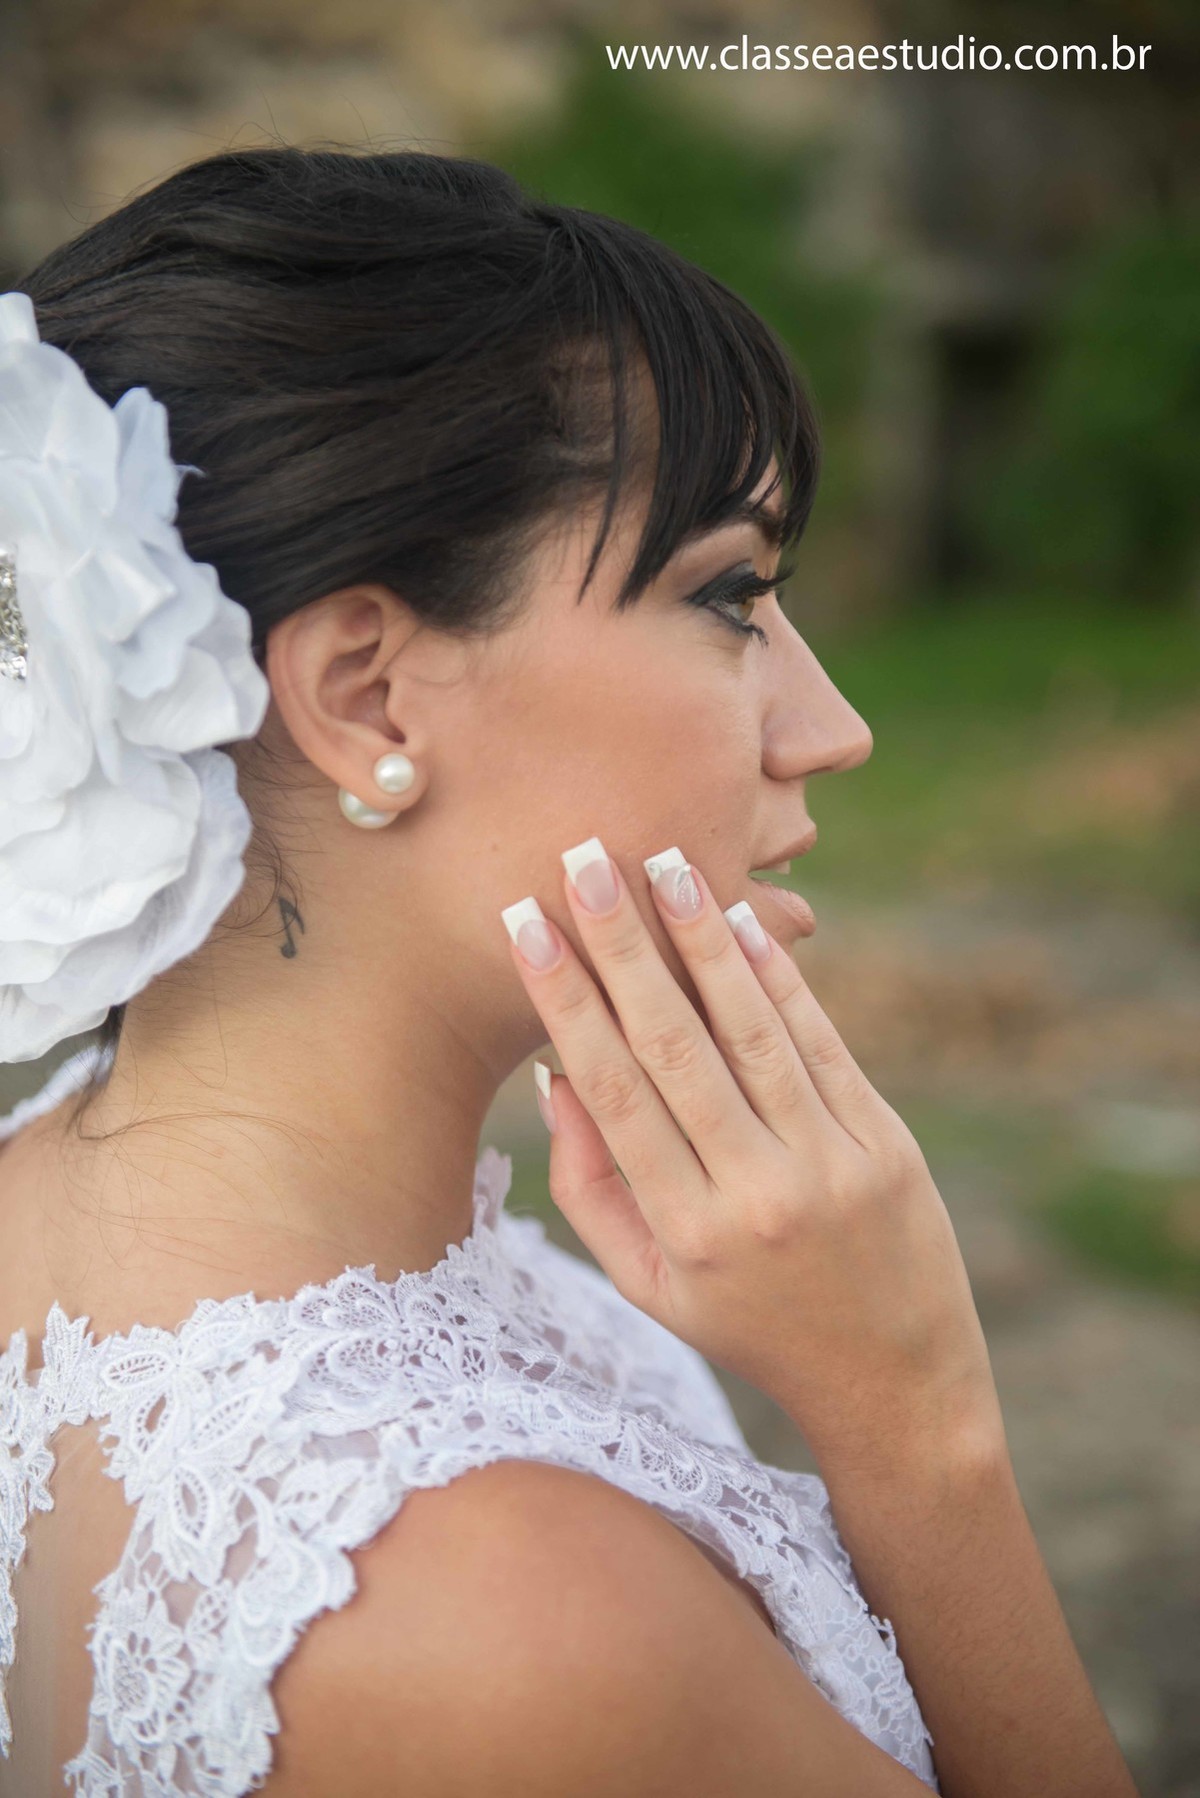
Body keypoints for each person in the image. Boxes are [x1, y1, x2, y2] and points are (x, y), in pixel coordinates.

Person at [0, 147, 1137, 1798]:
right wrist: (919, 1429)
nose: (832, 729)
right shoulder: (526, 1623)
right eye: (732, 595)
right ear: (369, 697)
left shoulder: (49, 1194)